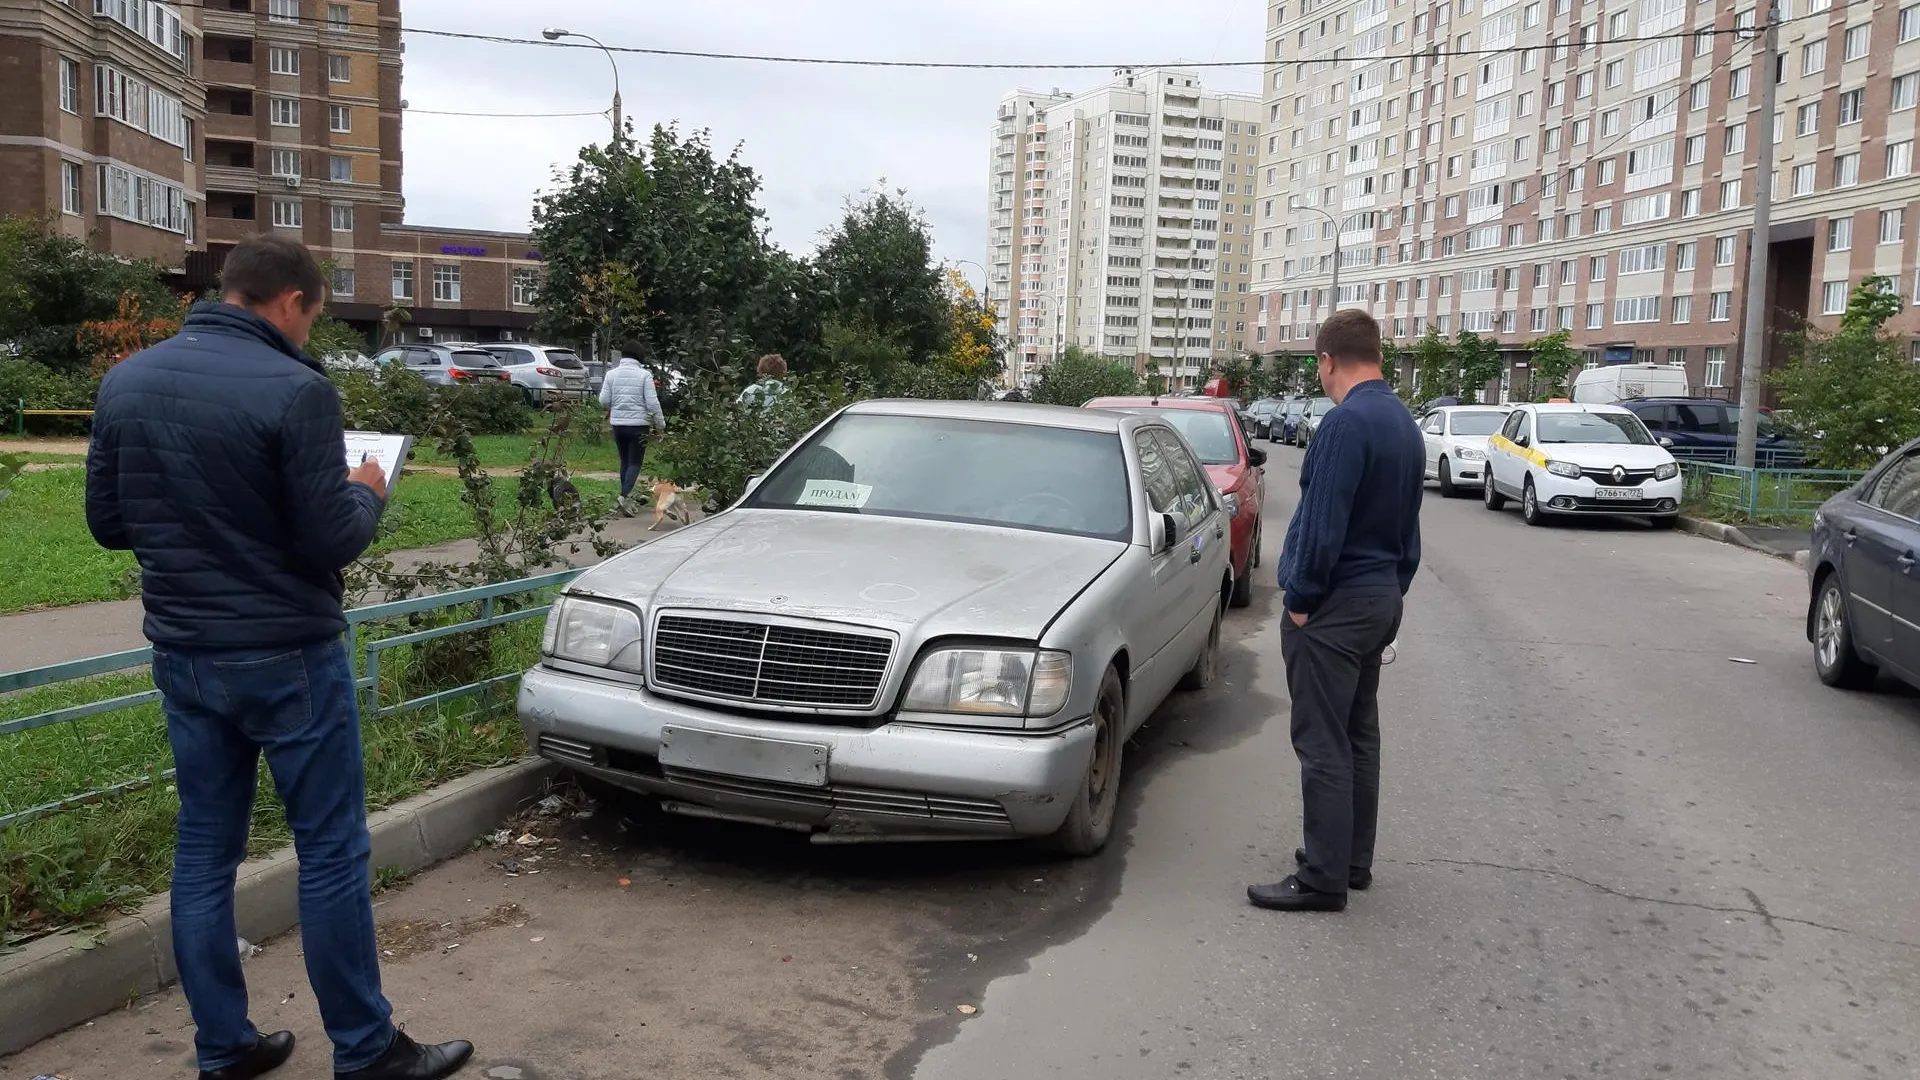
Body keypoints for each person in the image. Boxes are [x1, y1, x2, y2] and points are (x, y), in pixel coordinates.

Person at [85, 235, 474, 1080]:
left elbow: (108, 524)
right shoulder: (298, 391)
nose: (310, 334)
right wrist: (365, 490)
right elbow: (329, 536)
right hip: (288, 657)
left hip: (186, 655)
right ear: (292, 301)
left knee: (203, 850)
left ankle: (224, 1049)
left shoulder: (127, 381)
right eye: (314, 317)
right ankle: (367, 1052)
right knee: (331, 850)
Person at [1248, 308, 1424, 914]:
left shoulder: (1345, 425)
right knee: (1357, 734)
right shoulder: (1404, 422)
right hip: (1379, 598)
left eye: (1317, 366)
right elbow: (1409, 531)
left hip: (1334, 607)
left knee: (1322, 740)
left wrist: (1300, 601)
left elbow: (1322, 528)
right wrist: (1393, 587)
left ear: (1326, 360)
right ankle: (1352, 861)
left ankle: (1322, 877)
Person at [598, 345, 667, 516]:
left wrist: (616, 406)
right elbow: (652, 404)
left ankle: (626, 500)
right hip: (638, 426)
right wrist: (660, 425)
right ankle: (624, 496)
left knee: (625, 462)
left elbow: (604, 400)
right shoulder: (644, 375)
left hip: (618, 426)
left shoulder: (611, 374)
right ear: (639, 357)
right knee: (635, 463)